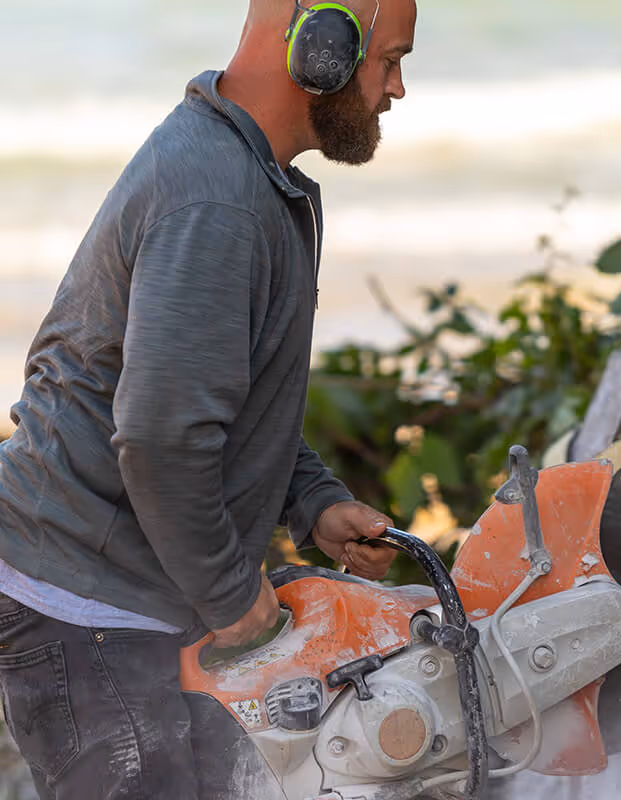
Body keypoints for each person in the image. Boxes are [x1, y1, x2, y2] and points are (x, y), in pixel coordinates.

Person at [0, 0, 417, 796]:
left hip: (125, 584)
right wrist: (235, 599)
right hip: (88, 600)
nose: (397, 88)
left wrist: (312, 499)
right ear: (323, 46)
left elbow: (217, 400)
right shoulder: (218, 202)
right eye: (390, 60)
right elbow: (162, 440)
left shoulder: (247, 175)